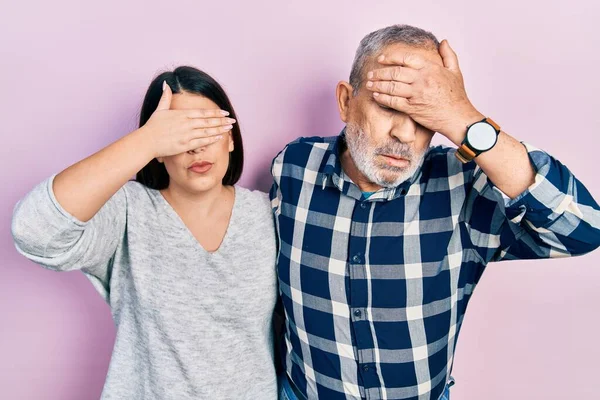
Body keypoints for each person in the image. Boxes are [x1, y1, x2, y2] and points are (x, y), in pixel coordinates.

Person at [271, 25, 600, 400]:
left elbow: (585, 229)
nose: (405, 136)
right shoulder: (293, 167)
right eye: (390, 106)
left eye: (426, 115)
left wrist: (465, 120)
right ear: (346, 101)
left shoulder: (463, 187)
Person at [11, 66, 279, 399]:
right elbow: (34, 231)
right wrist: (146, 141)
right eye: (181, 134)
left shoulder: (268, 215)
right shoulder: (128, 211)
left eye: (206, 129)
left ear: (231, 138)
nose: (197, 148)